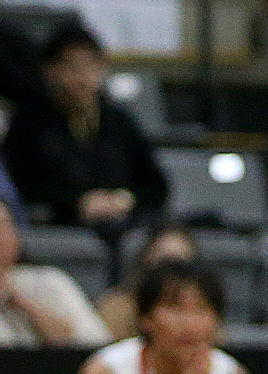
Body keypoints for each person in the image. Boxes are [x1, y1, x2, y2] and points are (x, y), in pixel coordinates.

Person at [2, 24, 168, 230]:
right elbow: (23, 186)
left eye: (90, 65)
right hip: (57, 229)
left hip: (124, 227)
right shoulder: (30, 122)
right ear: (51, 71)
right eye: (72, 66)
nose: (82, 76)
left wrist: (125, 199)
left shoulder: (118, 122)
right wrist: (78, 202)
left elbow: (156, 186)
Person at [82, 260, 244, 374]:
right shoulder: (108, 369)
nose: (189, 323)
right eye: (175, 308)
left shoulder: (230, 371)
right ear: (145, 317)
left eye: (201, 309)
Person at [0, 196, 110, 346]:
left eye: (5, 225)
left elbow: (96, 341)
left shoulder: (49, 280)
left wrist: (21, 303)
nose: (2, 235)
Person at [97, 227, 199, 341]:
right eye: (164, 262)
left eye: (179, 263)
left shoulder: (203, 312)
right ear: (146, 261)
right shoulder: (117, 306)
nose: (170, 271)